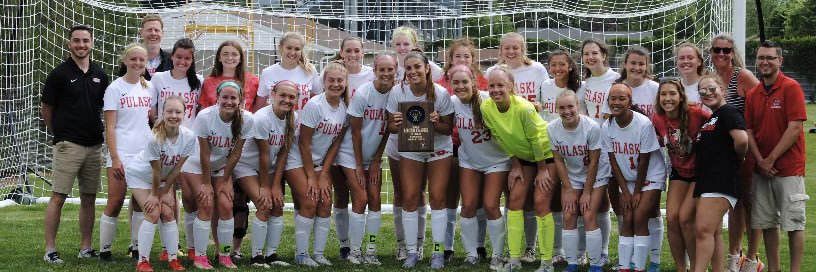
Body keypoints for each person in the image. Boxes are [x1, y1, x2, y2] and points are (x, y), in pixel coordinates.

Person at [42, 25, 110, 264]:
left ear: (92, 43)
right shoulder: (59, 74)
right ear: (69, 43)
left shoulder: (100, 75)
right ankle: (50, 249)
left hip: (94, 146)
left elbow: (104, 108)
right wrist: (60, 135)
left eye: (85, 41)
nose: (81, 45)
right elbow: (46, 109)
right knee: (58, 197)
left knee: (89, 198)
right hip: (68, 145)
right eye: (76, 41)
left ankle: (86, 247)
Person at [481, 65, 556, 272]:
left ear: (511, 86)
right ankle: (514, 260)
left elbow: (536, 140)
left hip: (546, 156)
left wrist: (542, 170)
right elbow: (500, 137)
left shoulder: (523, 108)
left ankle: (547, 262)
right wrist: (515, 165)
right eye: (492, 86)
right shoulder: (486, 108)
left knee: (540, 203)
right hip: (524, 158)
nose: (495, 90)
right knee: (514, 201)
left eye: (501, 85)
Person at [386, 51, 455, 269]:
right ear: (404, 72)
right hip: (411, 148)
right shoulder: (398, 91)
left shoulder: (441, 93)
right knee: (410, 197)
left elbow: (447, 129)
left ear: (426, 68)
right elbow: (390, 128)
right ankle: (412, 251)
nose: (413, 72)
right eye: (409, 68)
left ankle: (437, 252)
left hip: (438, 148)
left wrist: (435, 122)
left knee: (437, 197)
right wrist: (396, 123)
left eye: (417, 67)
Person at [745, 41, 808, 272]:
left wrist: (769, 159)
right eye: (761, 57)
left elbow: (794, 128)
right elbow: (749, 131)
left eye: (770, 57)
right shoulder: (753, 93)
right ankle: (774, 269)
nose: (765, 62)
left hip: (789, 168)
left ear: (780, 61)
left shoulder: (791, 87)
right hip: (761, 169)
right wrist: (761, 161)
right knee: (766, 222)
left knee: (793, 223)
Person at [181, 80, 254, 269]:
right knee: (206, 204)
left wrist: (224, 180)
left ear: (240, 100)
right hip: (196, 163)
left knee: (226, 205)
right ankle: (200, 256)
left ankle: (224, 255)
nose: (229, 101)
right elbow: (204, 153)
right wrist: (206, 183)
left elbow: (236, 153)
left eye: (233, 98)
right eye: (225, 97)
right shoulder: (205, 116)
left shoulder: (247, 119)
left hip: (221, 166)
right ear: (217, 98)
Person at [197, 40, 259, 260]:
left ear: (241, 57)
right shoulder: (210, 85)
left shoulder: (253, 80)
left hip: (241, 148)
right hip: (215, 147)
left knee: (238, 201)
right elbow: (208, 119)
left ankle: (235, 249)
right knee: (214, 202)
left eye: (235, 54)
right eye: (225, 53)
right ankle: (213, 250)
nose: (230, 57)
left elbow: (256, 114)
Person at [284, 61, 349, 267]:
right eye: (331, 80)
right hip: (296, 159)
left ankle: (319, 253)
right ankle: (301, 255)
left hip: (319, 163)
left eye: (340, 80)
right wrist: (312, 176)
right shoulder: (315, 105)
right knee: (311, 201)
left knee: (326, 202)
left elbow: (336, 143)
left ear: (346, 83)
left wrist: (322, 174)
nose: (335, 84)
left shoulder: (344, 108)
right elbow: (303, 143)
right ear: (324, 81)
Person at [336, 54, 397, 265]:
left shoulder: (396, 93)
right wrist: (360, 166)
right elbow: (354, 133)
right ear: (375, 71)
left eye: (390, 69)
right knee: (360, 199)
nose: (386, 73)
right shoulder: (364, 93)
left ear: (396, 70)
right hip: (351, 153)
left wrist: (376, 160)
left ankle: (370, 251)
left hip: (372, 156)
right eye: (382, 69)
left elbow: (389, 129)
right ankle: (354, 251)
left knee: (376, 199)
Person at [708, 33, 762, 272]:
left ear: (733, 52)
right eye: (717, 50)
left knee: (750, 204)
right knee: (735, 204)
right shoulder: (710, 78)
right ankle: (734, 254)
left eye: (726, 50)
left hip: (745, 149)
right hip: (724, 154)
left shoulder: (743, 76)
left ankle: (752, 258)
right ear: (711, 52)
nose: (721, 54)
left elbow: (762, 105)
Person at [449, 64, 510, 267]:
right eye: (455, 82)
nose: (460, 86)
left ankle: (498, 254)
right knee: (467, 205)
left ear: (474, 83)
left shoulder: (488, 99)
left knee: (491, 205)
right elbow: (441, 123)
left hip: (497, 160)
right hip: (470, 161)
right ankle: (471, 254)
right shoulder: (452, 103)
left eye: (464, 81)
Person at [602, 83, 666, 272]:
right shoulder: (607, 126)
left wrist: (636, 193)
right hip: (628, 178)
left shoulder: (643, 123)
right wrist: (625, 190)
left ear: (630, 101)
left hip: (651, 174)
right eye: (613, 98)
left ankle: (641, 266)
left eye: (622, 98)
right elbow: (613, 161)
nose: (616, 102)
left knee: (639, 216)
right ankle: (624, 266)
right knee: (627, 217)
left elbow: (645, 161)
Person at [98, 43, 154, 262]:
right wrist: (115, 157)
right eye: (134, 59)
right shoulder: (114, 88)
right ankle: (104, 250)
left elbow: (151, 121)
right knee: (115, 201)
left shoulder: (149, 87)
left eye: (142, 59)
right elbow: (110, 126)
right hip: (120, 153)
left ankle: (137, 247)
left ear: (146, 63)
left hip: (142, 154)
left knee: (141, 202)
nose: (138, 63)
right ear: (125, 61)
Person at [322, 36, 376, 260]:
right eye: (348, 51)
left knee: (362, 196)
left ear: (363, 52)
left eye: (357, 50)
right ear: (341, 52)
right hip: (335, 142)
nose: (353, 55)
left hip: (363, 143)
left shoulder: (371, 75)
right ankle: (346, 246)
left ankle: (359, 247)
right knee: (341, 194)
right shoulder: (331, 74)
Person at [436, 38, 489, 261]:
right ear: (450, 59)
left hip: (475, 148)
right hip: (450, 147)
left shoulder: (483, 84)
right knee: (450, 198)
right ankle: (447, 246)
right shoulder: (439, 85)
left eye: (467, 56)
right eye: (458, 56)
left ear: (473, 59)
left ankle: (478, 245)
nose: (462, 59)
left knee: (476, 200)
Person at [128, 96, 196, 272]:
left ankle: (172, 259)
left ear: (185, 113)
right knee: (153, 211)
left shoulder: (188, 137)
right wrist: (156, 195)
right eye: (169, 111)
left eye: (178, 112)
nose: (174, 115)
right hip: (140, 175)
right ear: (162, 113)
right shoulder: (154, 138)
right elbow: (156, 171)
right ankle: (142, 262)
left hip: (163, 178)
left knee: (168, 211)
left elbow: (176, 169)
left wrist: (165, 192)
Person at [235, 81, 298, 268]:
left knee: (277, 205)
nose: (287, 100)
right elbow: (264, 155)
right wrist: (265, 187)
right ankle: (256, 257)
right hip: (247, 166)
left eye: (291, 97)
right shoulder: (262, 118)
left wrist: (276, 184)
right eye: (283, 95)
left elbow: (283, 152)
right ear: (273, 94)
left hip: (268, 168)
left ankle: (271, 254)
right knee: (264, 204)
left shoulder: (292, 117)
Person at [651, 79, 710, 272]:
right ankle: (680, 267)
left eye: (672, 94)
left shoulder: (696, 114)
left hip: (699, 172)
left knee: (685, 218)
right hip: (678, 171)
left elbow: (717, 124)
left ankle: (696, 267)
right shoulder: (658, 118)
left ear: (681, 96)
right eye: (663, 94)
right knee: (672, 218)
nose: (667, 98)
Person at [692, 74, 749, 272]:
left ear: (722, 90)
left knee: (702, 230)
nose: (708, 93)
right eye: (702, 91)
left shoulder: (728, 111)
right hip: (707, 182)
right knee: (713, 232)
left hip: (720, 182)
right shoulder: (712, 117)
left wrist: (737, 159)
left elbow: (741, 140)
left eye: (712, 88)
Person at [548, 90, 609, 272]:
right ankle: (572, 262)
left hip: (596, 173)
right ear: (556, 109)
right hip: (573, 174)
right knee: (568, 214)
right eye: (562, 107)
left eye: (570, 106)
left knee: (589, 214)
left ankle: (596, 263)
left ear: (578, 107)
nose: (567, 111)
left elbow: (595, 161)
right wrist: (567, 189)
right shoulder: (552, 128)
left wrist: (587, 192)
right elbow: (558, 160)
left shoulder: (591, 127)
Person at [537, 49, 586, 265]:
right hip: (551, 148)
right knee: (556, 200)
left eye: (562, 64)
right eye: (553, 65)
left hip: (575, 151)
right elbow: (541, 114)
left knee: (580, 204)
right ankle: (558, 250)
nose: (557, 69)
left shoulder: (581, 88)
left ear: (570, 66)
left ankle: (582, 251)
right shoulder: (545, 86)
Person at [617, 45, 663, 271]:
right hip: (624, 157)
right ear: (625, 64)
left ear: (647, 66)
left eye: (641, 64)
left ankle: (653, 259)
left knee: (650, 211)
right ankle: (629, 260)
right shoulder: (617, 90)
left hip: (650, 157)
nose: (637, 67)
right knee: (627, 211)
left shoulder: (655, 88)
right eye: (633, 63)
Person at [577, 38, 618, 265]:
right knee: (595, 201)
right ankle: (588, 250)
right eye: (586, 54)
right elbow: (581, 112)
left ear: (604, 55)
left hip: (614, 146)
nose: (590, 57)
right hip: (593, 148)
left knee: (608, 200)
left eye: (594, 53)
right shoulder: (586, 84)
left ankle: (604, 251)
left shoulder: (616, 80)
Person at [255, 32, 318, 114]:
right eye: (289, 48)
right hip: (276, 125)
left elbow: (318, 101)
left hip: (303, 125)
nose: (292, 52)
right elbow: (259, 106)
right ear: (281, 48)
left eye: (297, 49)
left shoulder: (310, 71)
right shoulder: (267, 73)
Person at [117, 14, 172, 80]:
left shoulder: (171, 61)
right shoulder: (129, 61)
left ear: (162, 33)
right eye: (149, 30)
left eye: (156, 30)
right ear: (141, 33)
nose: (153, 33)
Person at [674, 43, 708, 111]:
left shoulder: (709, 85)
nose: (686, 61)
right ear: (677, 62)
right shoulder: (674, 87)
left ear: (699, 62)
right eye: (681, 58)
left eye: (690, 58)